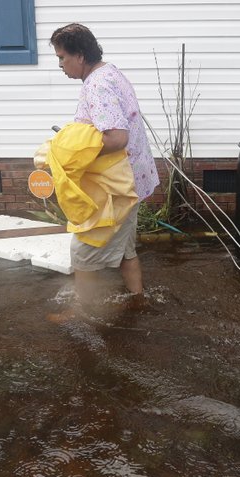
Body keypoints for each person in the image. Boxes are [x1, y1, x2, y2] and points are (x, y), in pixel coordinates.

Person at [50, 23, 159, 302]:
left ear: (80, 56)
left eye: (62, 57)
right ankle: (138, 300)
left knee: (83, 253)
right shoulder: (110, 72)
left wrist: (71, 152)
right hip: (129, 181)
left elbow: (116, 137)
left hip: (115, 187)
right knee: (125, 249)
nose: (60, 64)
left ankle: (82, 313)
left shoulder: (97, 85)